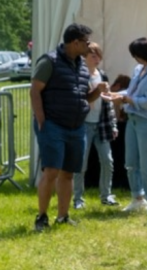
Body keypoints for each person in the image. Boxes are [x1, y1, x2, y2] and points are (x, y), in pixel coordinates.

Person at [29, 24, 107, 231]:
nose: (89, 46)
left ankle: (63, 216)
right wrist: (41, 120)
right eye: (86, 42)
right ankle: (42, 217)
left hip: (76, 127)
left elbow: (84, 97)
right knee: (51, 171)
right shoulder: (49, 61)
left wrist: (98, 91)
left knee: (69, 173)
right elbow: (35, 91)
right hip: (52, 125)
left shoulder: (82, 66)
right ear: (75, 42)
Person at [106, 38, 147, 214]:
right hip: (134, 119)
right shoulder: (139, 69)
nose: (134, 58)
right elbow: (132, 92)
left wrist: (126, 99)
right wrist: (116, 95)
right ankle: (137, 198)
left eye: (135, 55)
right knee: (131, 162)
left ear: (142, 55)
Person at [72, 42, 120, 209]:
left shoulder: (102, 75)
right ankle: (78, 198)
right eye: (93, 55)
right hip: (84, 124)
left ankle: (106, 195)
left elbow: (108, 103)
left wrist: (113, 125)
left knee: (108, 161)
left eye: (99, 55)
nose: (97, 59)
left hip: (101, 124)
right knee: (81, 164)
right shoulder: (79, 74)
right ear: (84, 57)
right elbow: (80, 99)